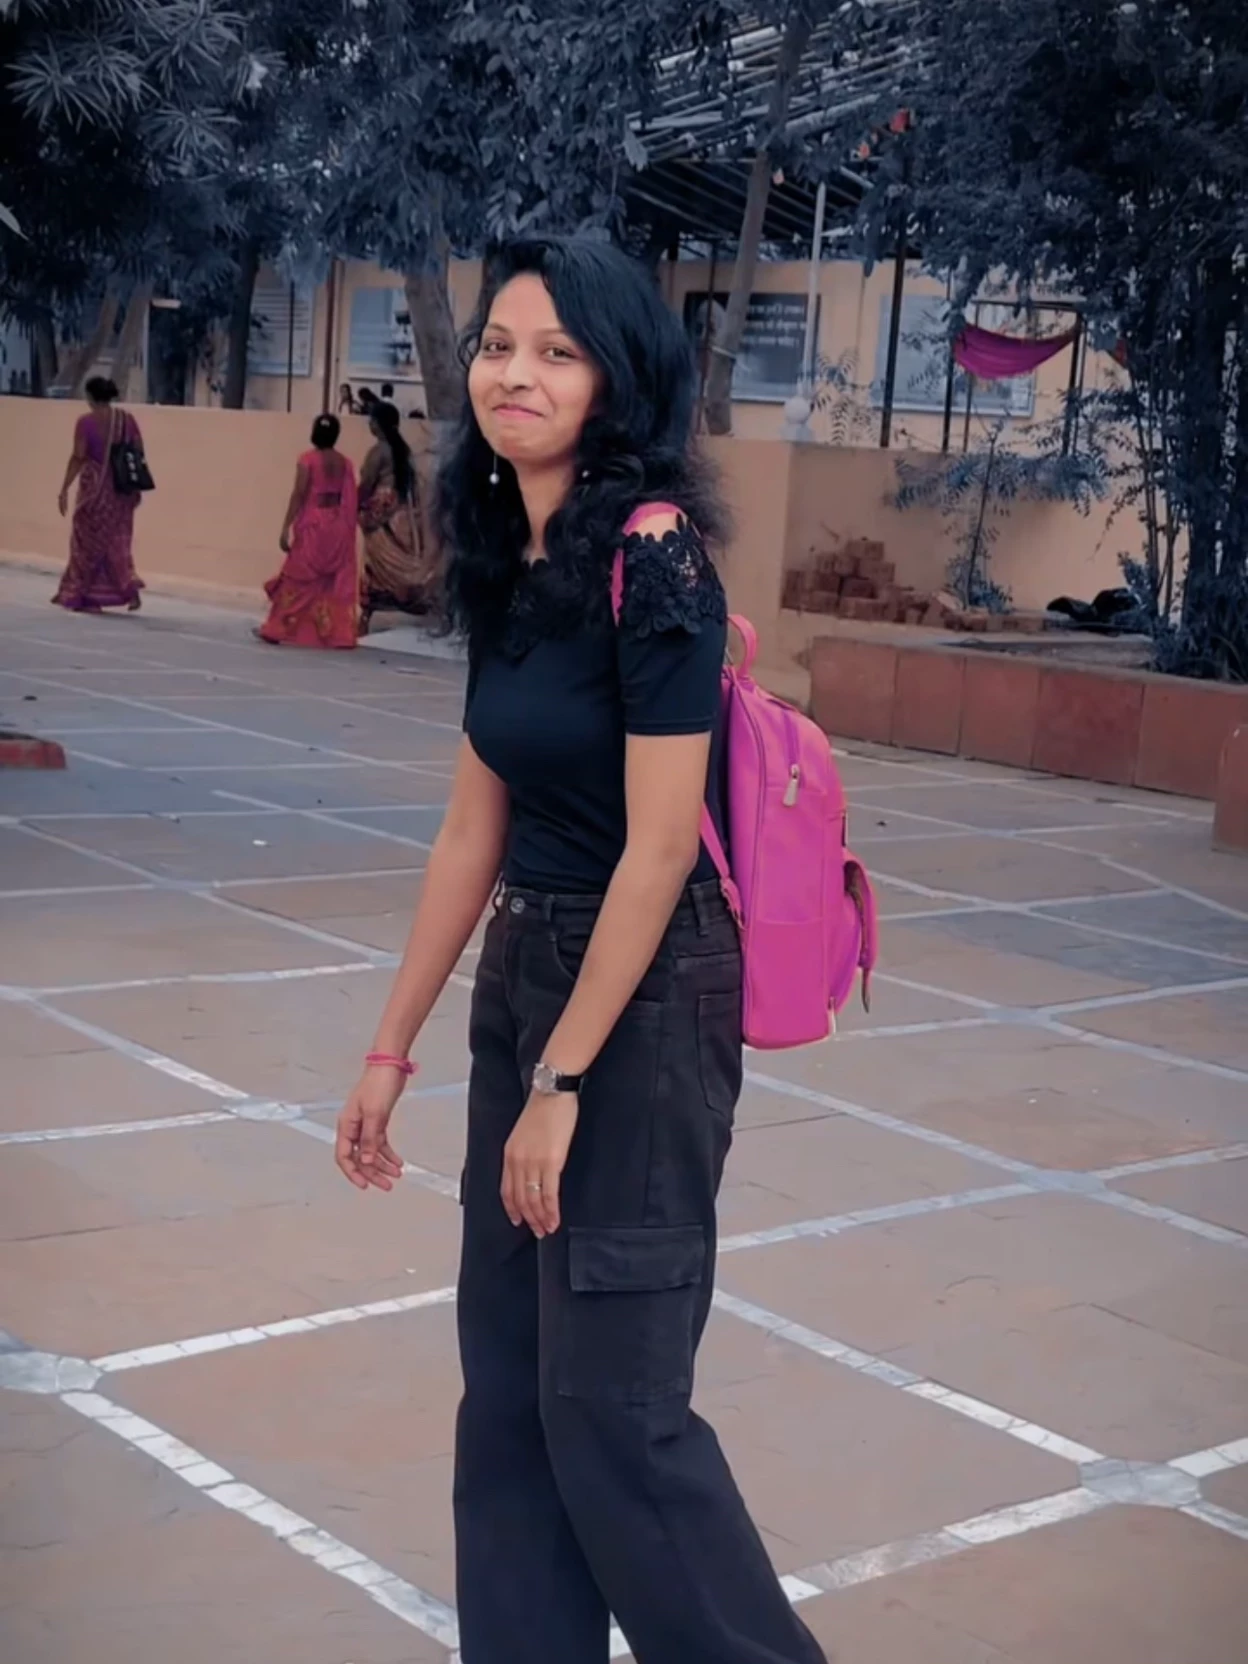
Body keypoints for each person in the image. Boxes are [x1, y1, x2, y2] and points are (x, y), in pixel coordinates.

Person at [334, 236, 826, 1664]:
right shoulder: (508, 554)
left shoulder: (655, 553)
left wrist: (560, 1083)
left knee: (613, 1409)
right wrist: (388, 1050)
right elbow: (469, 831)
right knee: (509, 1396)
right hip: (528, 968)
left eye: (557, 351)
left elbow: (660, 849)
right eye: (499, 345)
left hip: (647, 996)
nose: (517, 374)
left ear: (619, 380)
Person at [256, 413, 358, 648]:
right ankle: (332, 632)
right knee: (327, 582)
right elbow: (349, 497)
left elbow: (299, 494)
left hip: (313, 524)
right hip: (336, 525)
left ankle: (277, 627)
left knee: (297, 577)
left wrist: (286, 526)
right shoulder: (345, 463)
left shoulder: (307, 460)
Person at [52, 375, 146, 613]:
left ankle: (88, 596)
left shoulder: (85, 422)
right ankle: (128, 589)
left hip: (94, 493)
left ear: (90, 397)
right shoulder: (127, 420)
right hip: (121, 492)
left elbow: (78, 456)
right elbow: (138, 451)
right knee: (118, 543)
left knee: (86, 543)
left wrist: (64, 488)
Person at [357, 400, 437, 633]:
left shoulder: (378, 452)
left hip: (380, 515)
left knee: (376, 563)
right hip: (401, 515)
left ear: (379, 424)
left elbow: (366, 484)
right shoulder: (403, 450)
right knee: (402, 560)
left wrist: (352, 504)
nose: (370, 424)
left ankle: (368, 613)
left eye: (372, 420)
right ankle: (416, 598)